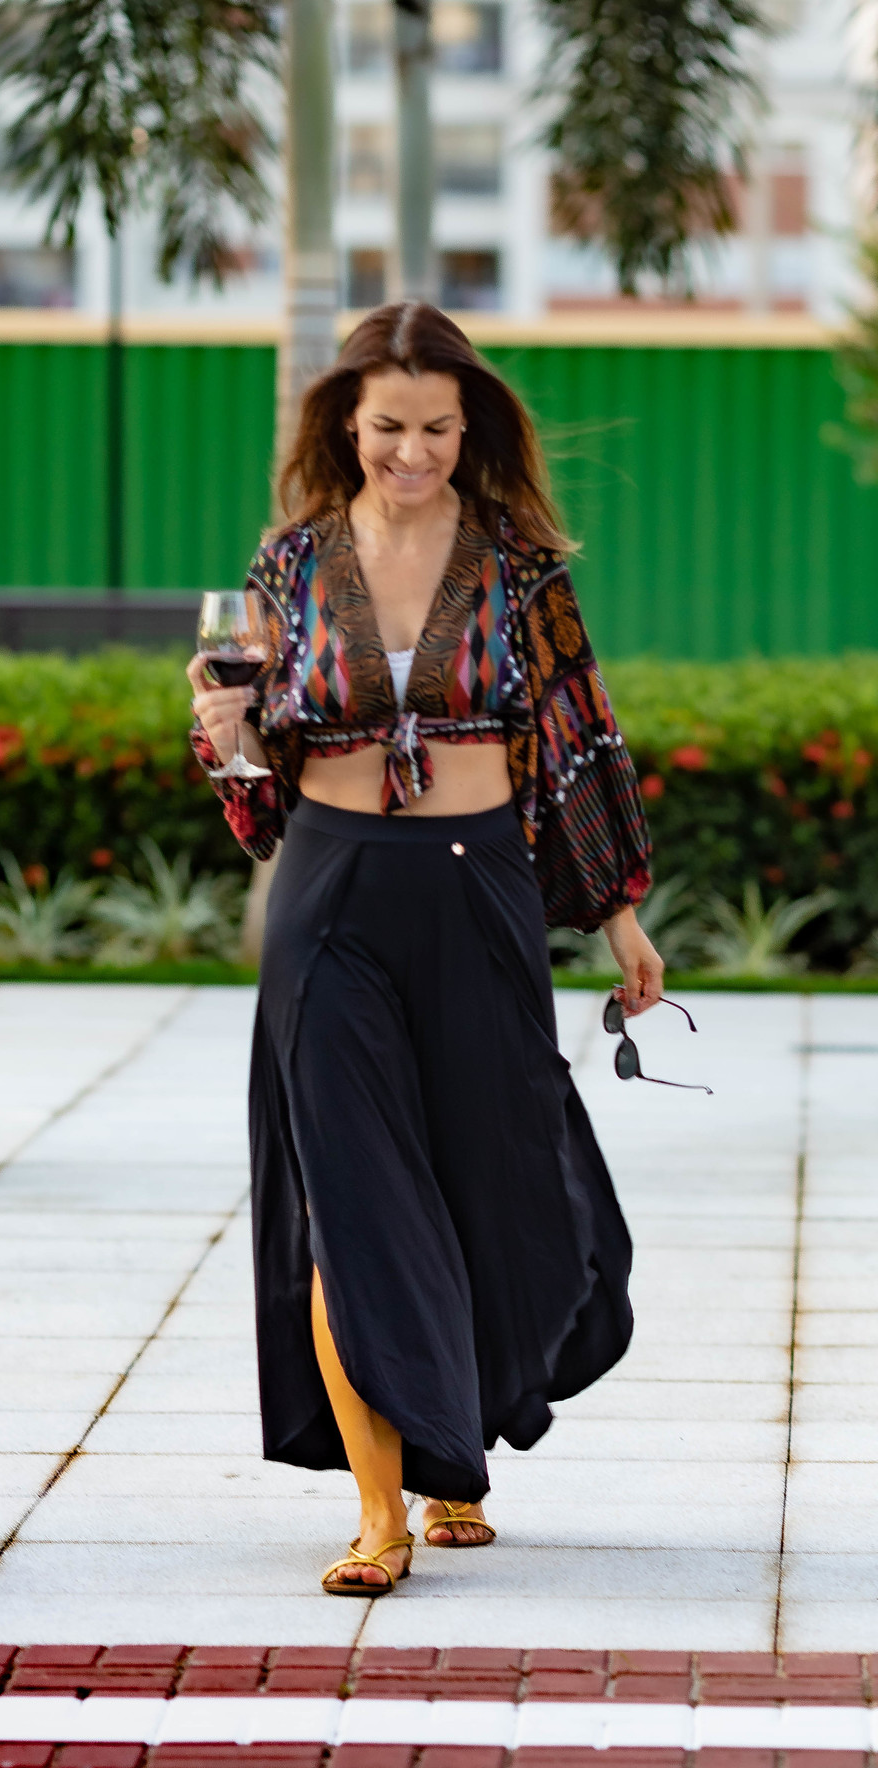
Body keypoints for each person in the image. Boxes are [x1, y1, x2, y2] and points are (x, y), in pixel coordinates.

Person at [187, 301, 662, 1597]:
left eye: (438, 428)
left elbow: (578, 732)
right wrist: (225, 736)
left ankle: (460, 1456)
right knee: (350, 1197)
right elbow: (258, 788)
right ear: (347, 425)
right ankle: (378, 1512)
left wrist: (617, 908)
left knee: (487, 1178)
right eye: (389, 426)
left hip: (477, 889)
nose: (412, 451)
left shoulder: (520, 565)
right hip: (331, 897)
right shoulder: (290, 564)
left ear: (470, 427)